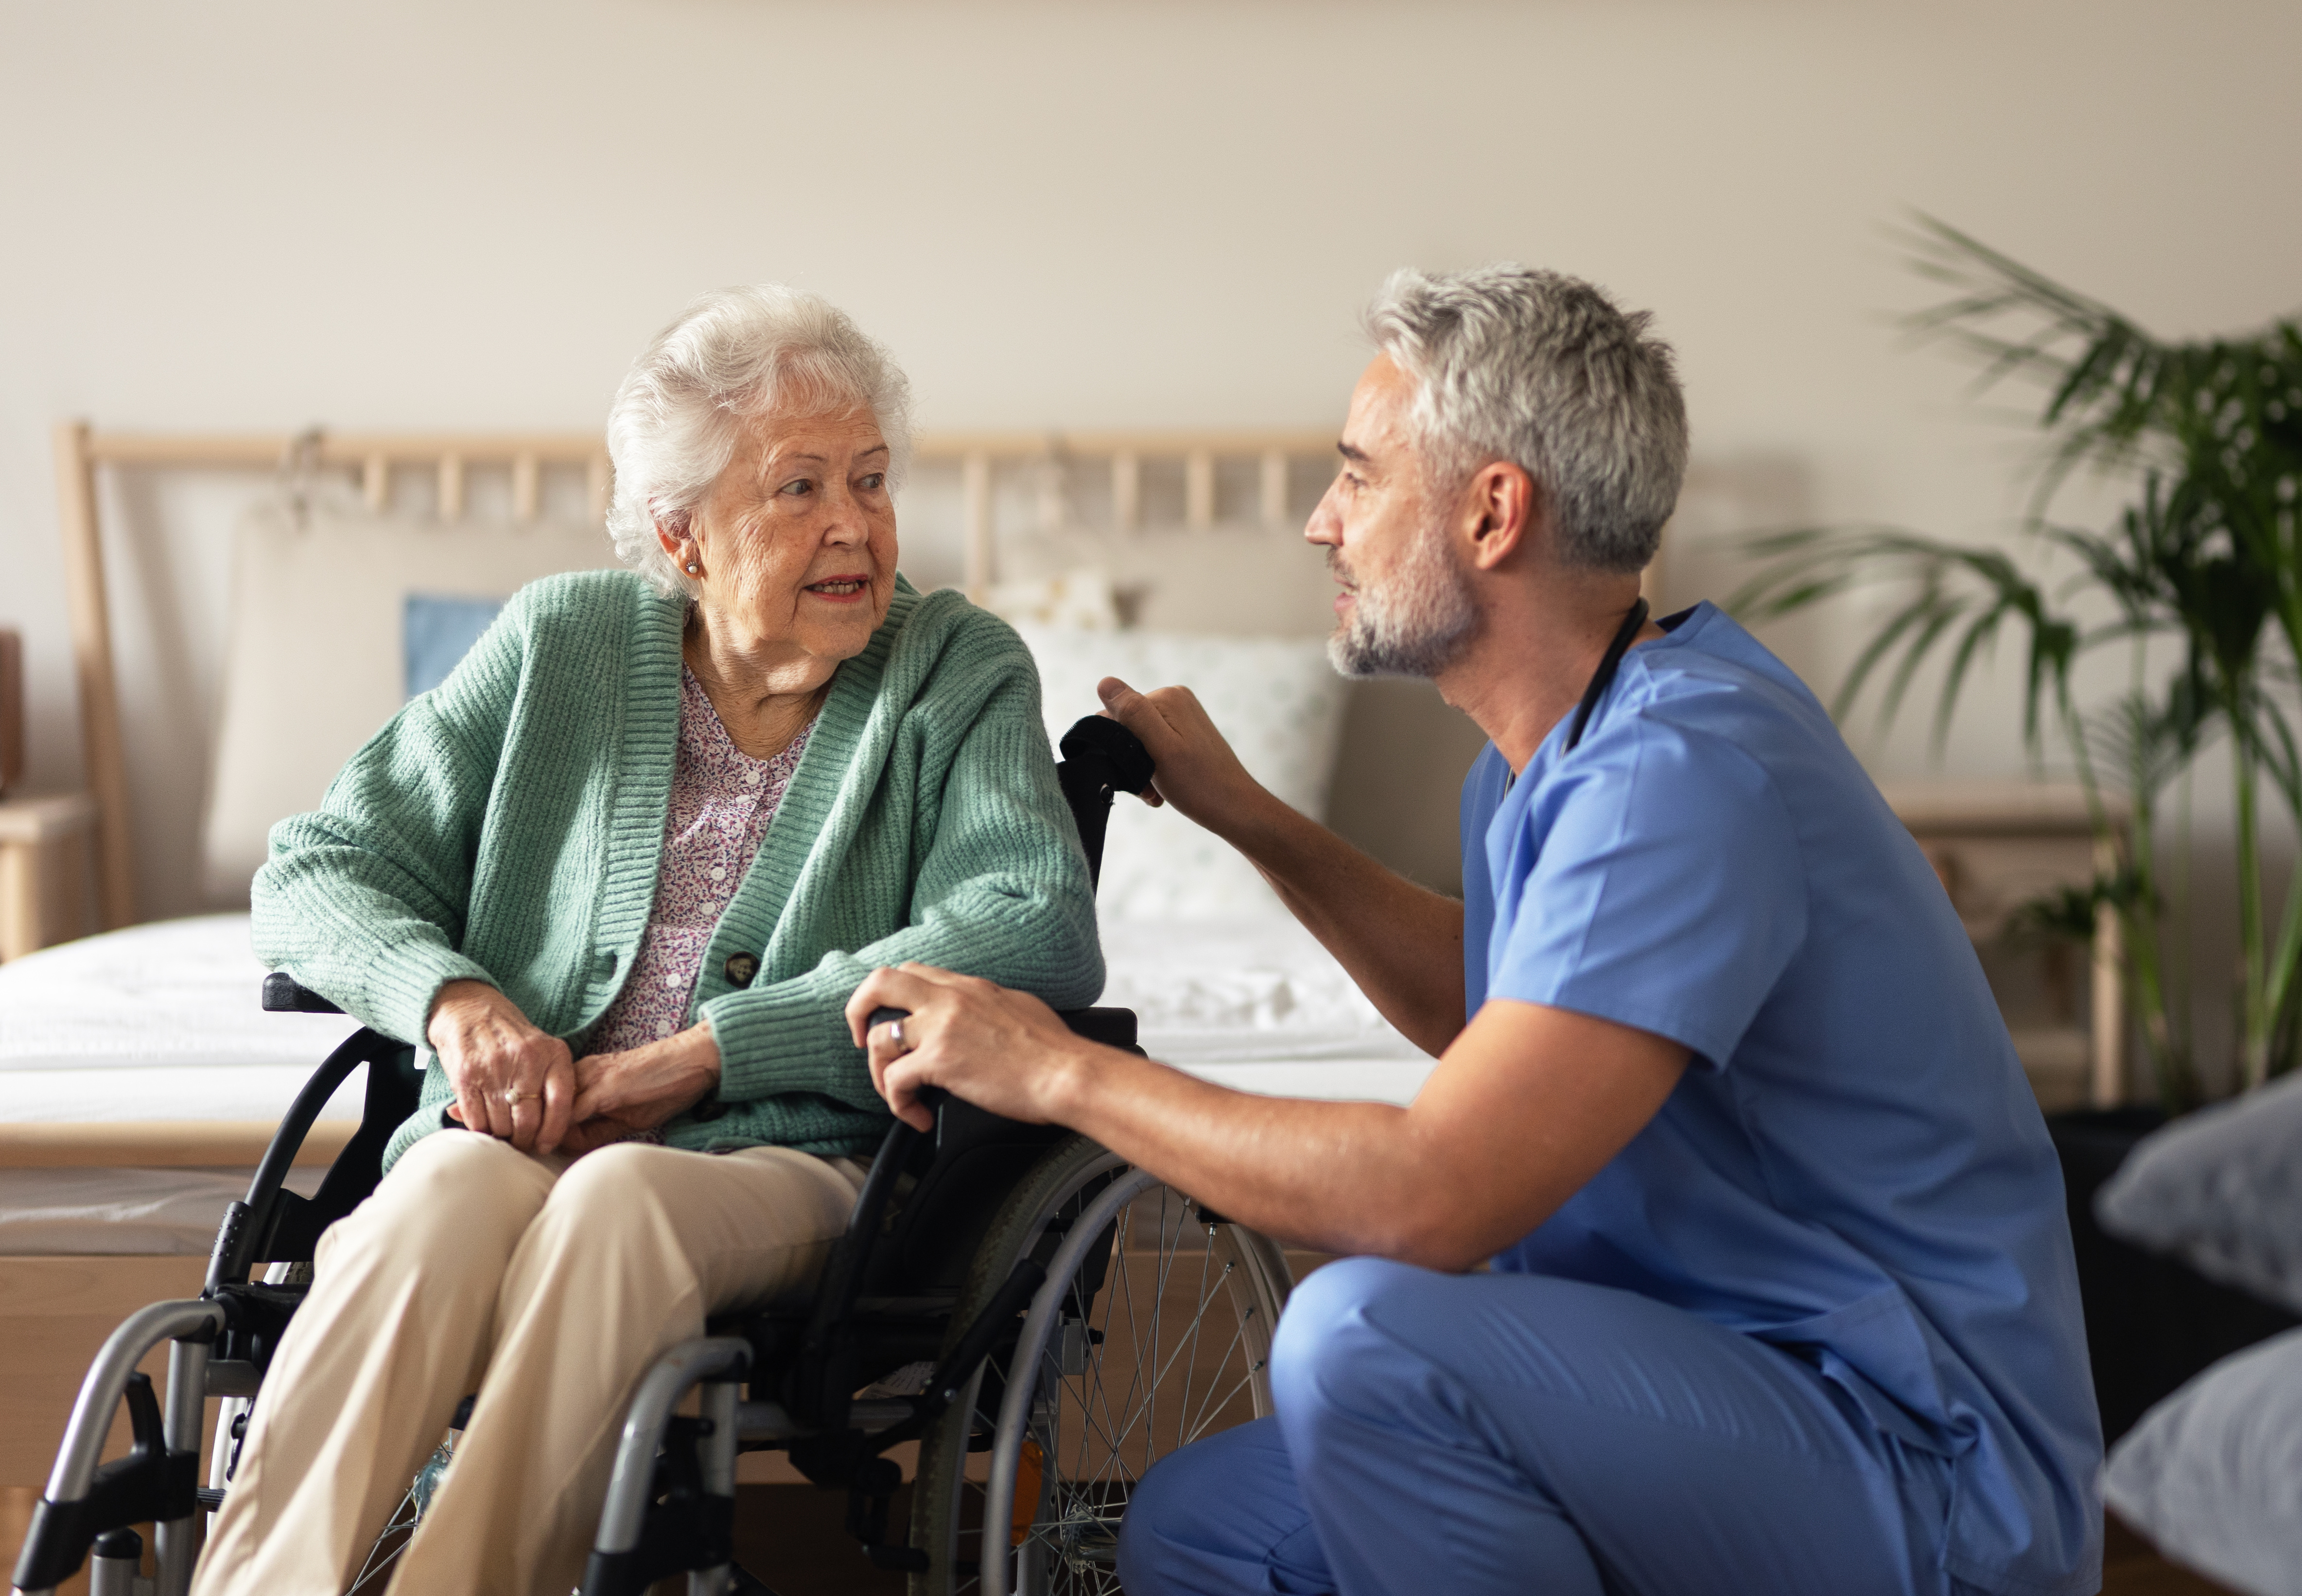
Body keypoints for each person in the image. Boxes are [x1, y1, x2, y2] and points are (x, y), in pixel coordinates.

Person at [846, 266, 2103, 1596]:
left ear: (1495, 511)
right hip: (1724, 1395)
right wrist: (1251, 819)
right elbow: (1504, 1017)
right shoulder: (1547, 754)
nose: (1324, 524)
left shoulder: (1679, 774)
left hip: (1916, 1458)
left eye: (1359, 475)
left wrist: (1057, 1067)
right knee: (1202, 1525)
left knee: (1364, 1335)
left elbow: (1429, 1196)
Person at [193, 285, 1101, 1596]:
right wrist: (457, 1005)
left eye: (872, 478)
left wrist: (708, 1057)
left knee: (619, 1201)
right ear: (683, 538)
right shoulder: (558, 642)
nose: (857, 525)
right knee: (435, 1195)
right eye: (799, 489)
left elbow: (1032, 924)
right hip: (523, 1137)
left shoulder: (955, 673)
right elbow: (321, 864)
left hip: (801, 1165)